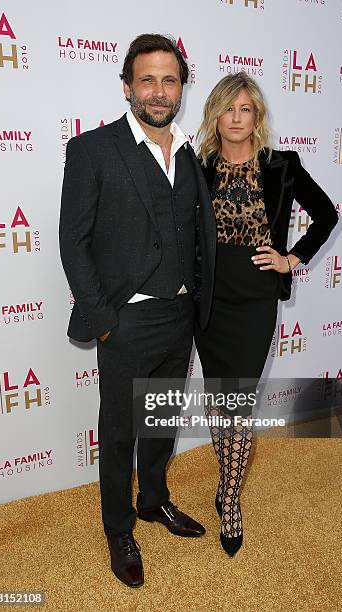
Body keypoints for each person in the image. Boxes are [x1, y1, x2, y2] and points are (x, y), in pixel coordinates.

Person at [59, 34, 216, 588]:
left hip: (178, 318)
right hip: (124, 322)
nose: (158, 90)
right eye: (146, 79)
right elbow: (73, 241)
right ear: (127, 86)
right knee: (120, 431)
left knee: (161, 424)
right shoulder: (93, 150)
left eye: (168, 80)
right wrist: (103, 319)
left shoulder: (191, 154)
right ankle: (118, 526)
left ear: (181, 88)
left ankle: (153, 500)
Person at [194, 72, 338, 557]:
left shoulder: (282, 165)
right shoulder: (200, 166)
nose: (236, 119)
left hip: (255, 301)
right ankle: (226, 481)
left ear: (257, 116)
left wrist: (290, 258)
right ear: (216, 115)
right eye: (227, 109)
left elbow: (327, 215)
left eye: (245, 109)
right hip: (208, 302)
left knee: (239, 403)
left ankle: (230, 499)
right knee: (219, 399)